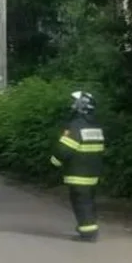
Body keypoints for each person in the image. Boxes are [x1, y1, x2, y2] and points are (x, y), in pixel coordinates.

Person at [50, 90, 104, 242]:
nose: (72, 105)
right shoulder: (95, 126)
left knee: (81, 203)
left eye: (74, 103)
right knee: (89, 202)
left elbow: (64, 150)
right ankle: (89, 228)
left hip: (78, 174)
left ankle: (88, 233)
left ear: (81, 106)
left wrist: (54, 162)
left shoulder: (76, 126)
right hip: (92, 174)